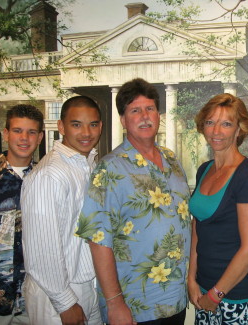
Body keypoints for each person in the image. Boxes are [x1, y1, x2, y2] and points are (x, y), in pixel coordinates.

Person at [76, 78, 190, 325]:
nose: (144, 116)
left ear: (159, 115)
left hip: (176, 300)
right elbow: (98, 240)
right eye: (135, 110)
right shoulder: (109, 169)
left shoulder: (172, 160)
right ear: (123, 120)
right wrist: (115, 302)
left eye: (150, 109)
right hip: (135, 306)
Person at [20, 96, 103, 325]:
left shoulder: (88, 164)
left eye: (93, 124)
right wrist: (64, 302)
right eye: (76, 124)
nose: (86, 132)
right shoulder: (50, 174)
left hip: (88, 285)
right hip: (57, 295)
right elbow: (41, 246)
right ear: (61, 126)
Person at [188, 93, 248, 324]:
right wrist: (191, 278)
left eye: (226, 124)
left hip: (238, 295)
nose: (216, 131)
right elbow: (197, 226)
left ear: (239, 129)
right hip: (204, 289)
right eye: (210, 122)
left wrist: (216, 294)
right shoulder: (204, 169)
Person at [0, 105, 43, 325]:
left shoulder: (46, 181)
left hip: (32, 303)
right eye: (17, 130)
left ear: (40, 137)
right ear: (6, 134)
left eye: (31, 132)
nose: (24, 138)